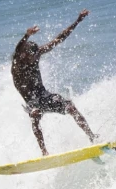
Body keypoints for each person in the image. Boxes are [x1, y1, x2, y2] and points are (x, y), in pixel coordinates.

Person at [11, 9, 97, 155]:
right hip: (31, 101)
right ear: (23, 55)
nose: (33, 59)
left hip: (44, 96)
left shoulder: (36, 53)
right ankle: (44, 152)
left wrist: (77, 21)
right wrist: (26, 36)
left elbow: (59, 39)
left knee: (70, 107)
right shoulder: (17, 62)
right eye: (30, 56)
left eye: (35, 56)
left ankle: (92, 137)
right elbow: (18, 49)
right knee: (35, 113)